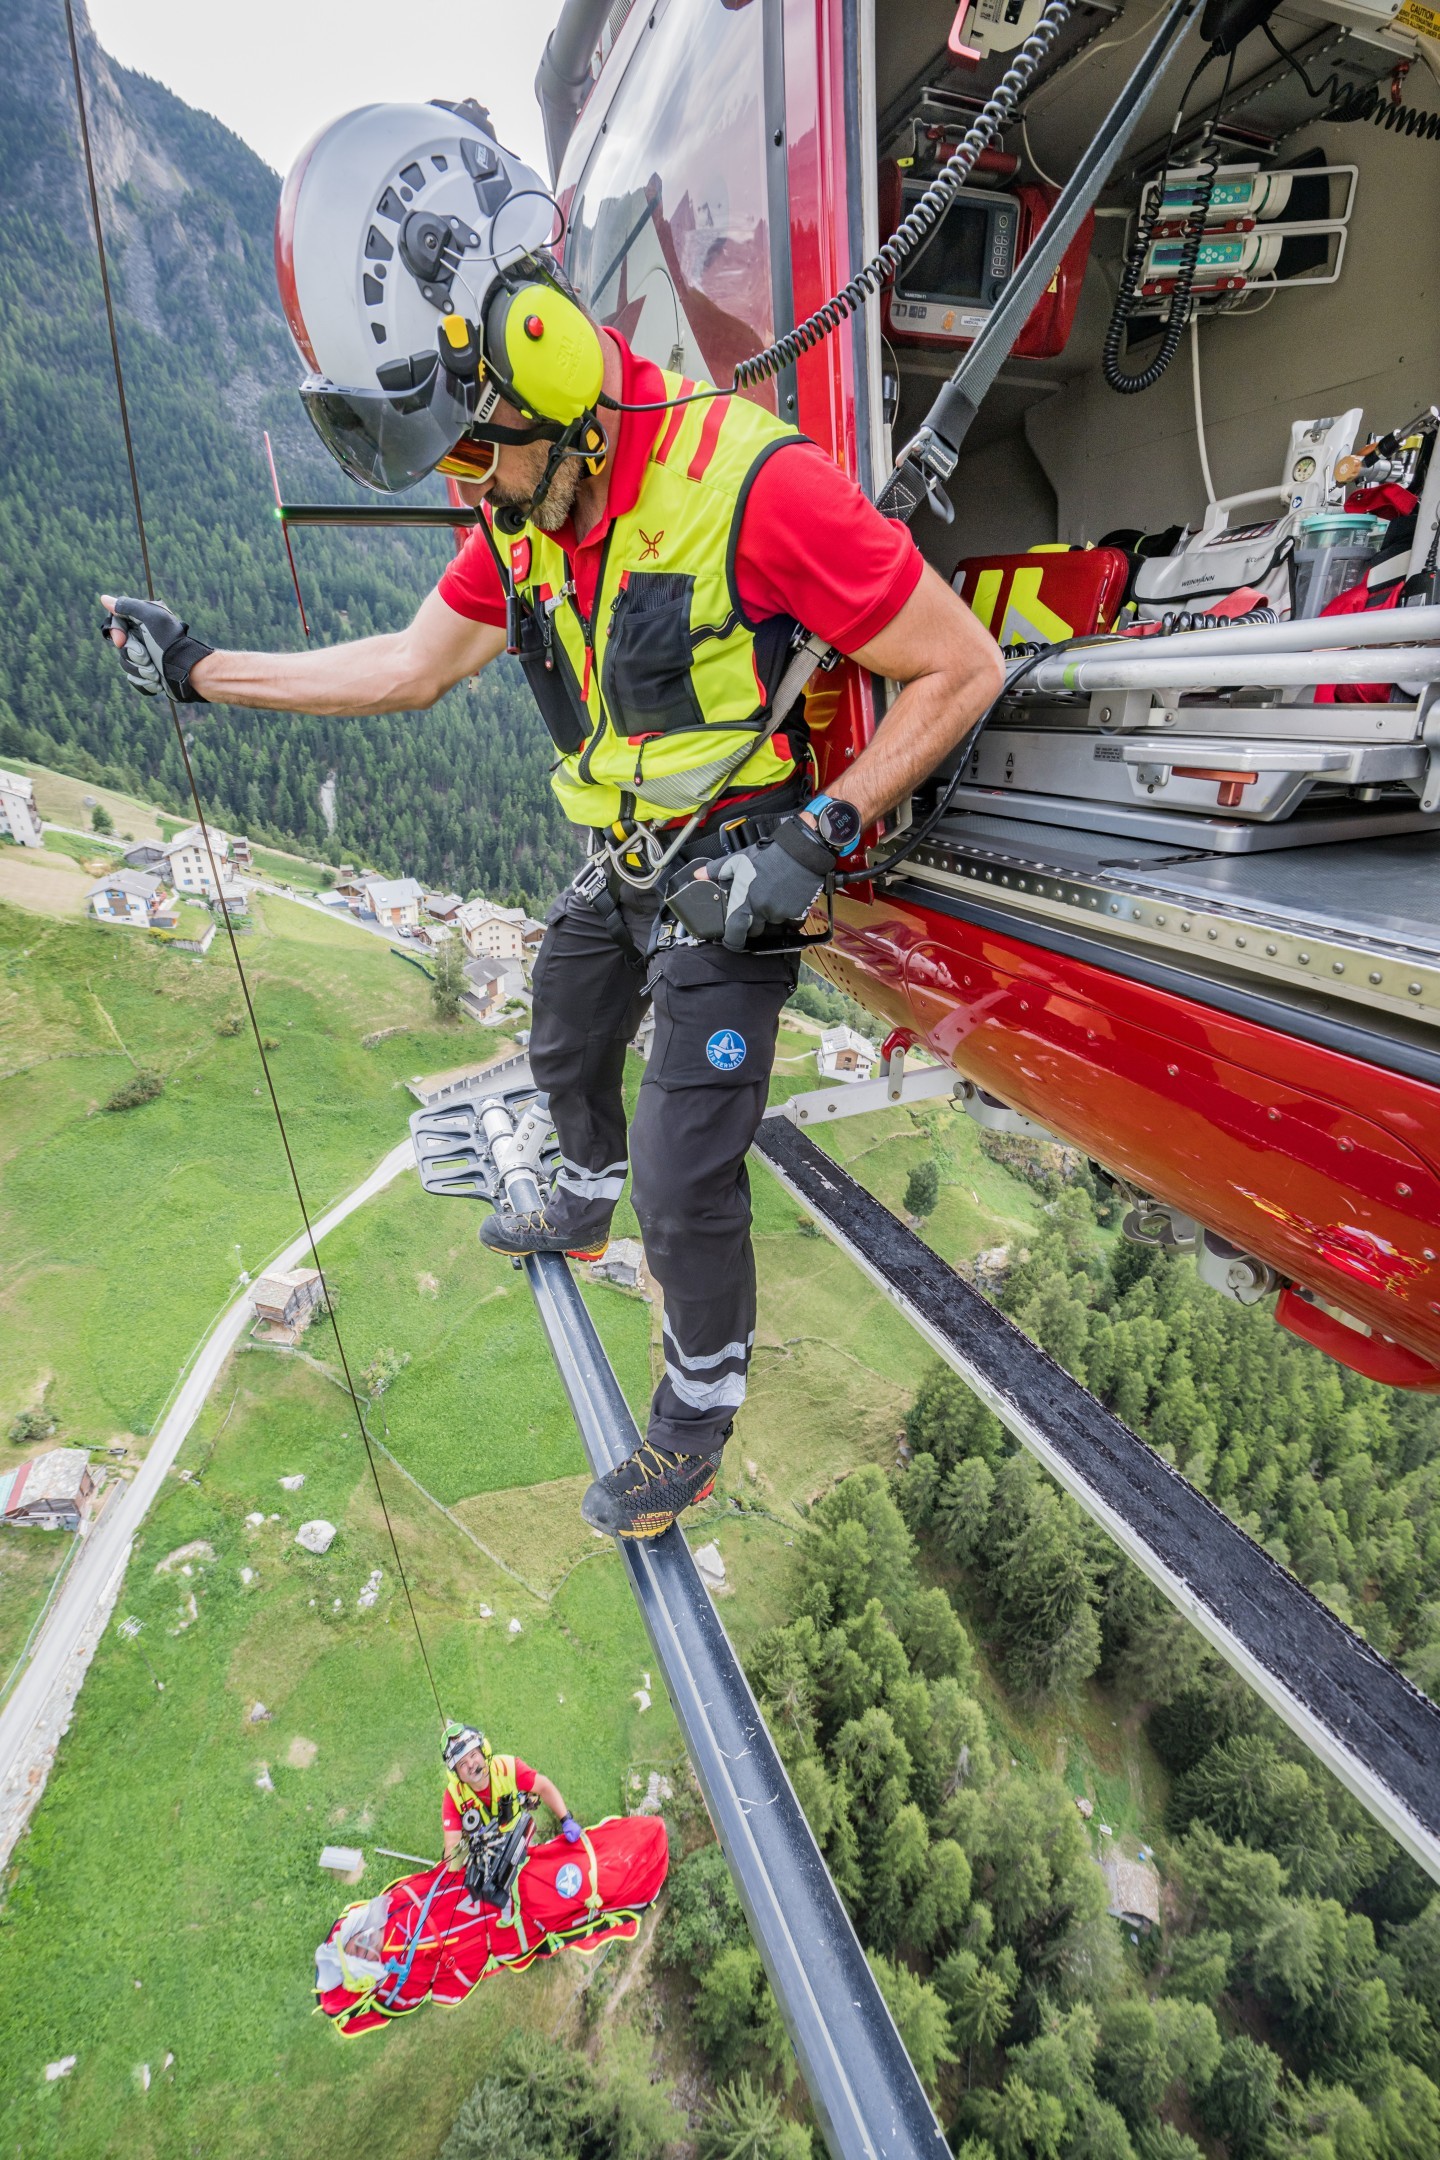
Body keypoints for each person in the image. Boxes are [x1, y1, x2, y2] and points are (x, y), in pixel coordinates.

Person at [99, 99, 1004, 1541]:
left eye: (477, 455)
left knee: (682, 1168)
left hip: (744, 865)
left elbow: (959, 667)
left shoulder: (753, 485)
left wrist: (815, 839)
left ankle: (694, 1417)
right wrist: (204, 672)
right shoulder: (526, 507)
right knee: (565, 1027)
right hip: (631, 857)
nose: (471, 488)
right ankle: (576, 1199)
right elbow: (407, 668)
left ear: (553, 368)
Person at [440, 1722, 580, 1871]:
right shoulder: (454, 1796)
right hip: (486, 1857)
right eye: (462, 1764)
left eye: (473, 1755)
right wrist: (465, 1853)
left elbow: (544, 1786)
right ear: (456, 1774)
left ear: (483, 1751)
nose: (471, 1765)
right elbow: (451, 1851)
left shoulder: (507, 1767)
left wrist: (566, 1819)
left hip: (518, 1838)